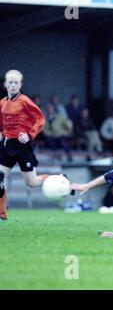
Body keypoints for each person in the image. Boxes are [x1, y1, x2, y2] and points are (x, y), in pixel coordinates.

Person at [0, 70, 48, 220]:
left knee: (32, 183)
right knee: (0, 177)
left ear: (20, 85)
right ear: (5, 84)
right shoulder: (2, 102)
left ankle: (56, 179)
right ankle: (2, 213)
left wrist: (29, 134)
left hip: (22, 146)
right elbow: (1, 123)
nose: (13, 85)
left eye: (16, 83)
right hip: (7, 144)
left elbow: (40, 119)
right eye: (10, 82)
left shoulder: (25, 101)